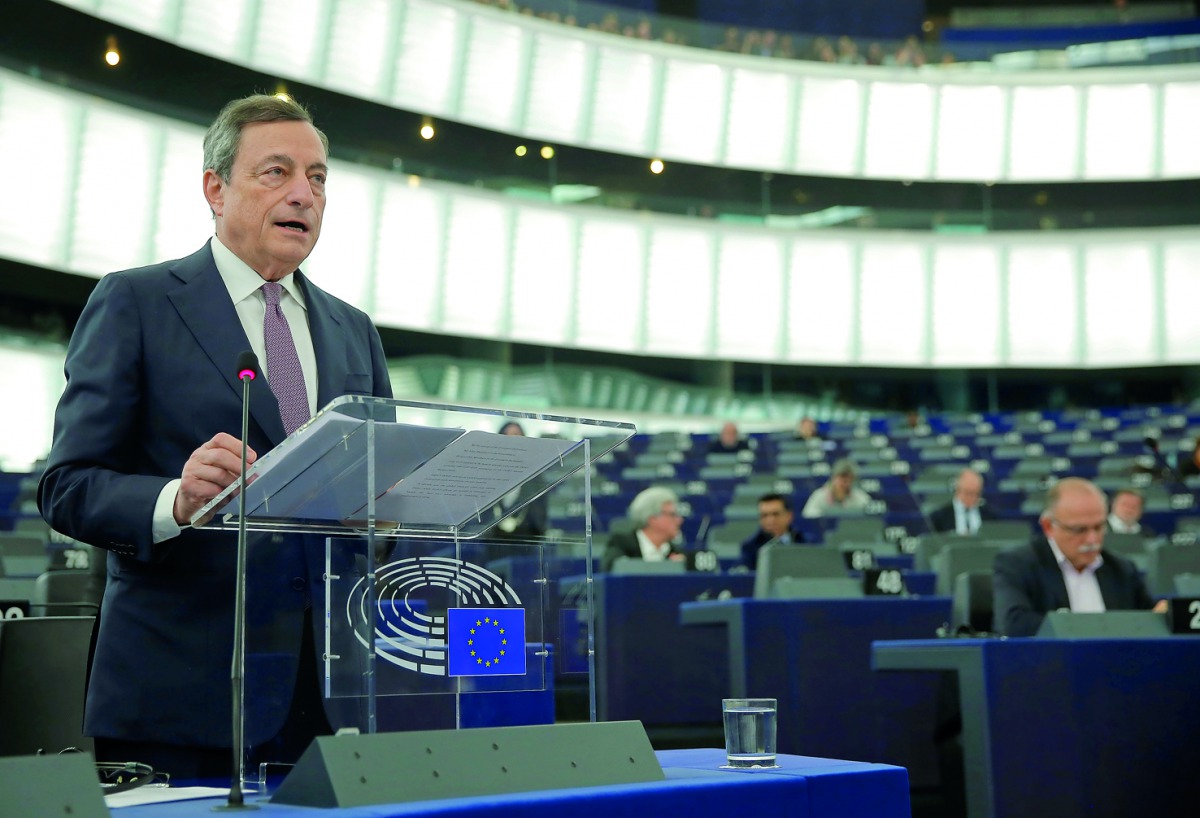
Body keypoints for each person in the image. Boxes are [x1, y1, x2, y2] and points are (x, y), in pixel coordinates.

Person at [37, 95, 393, 780]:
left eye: (317, 178)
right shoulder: (135, 303)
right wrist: (174, 500)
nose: (303, 195)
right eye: (277, 173)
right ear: (215, 187)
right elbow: (67, 486)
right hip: (178, 701)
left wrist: (387, 519)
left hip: (326, 704)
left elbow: (377, 502)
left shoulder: (356, 331)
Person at [992, 478, 1163, 637]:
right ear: (1048, 526)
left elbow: (1147, 619)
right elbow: (1014, 625)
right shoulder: (1017, 564)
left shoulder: (1122, 569)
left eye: (1099, 527)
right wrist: (1100, 628)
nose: (1092, 539)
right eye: (1079, 530)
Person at [601, 486, 685, 572]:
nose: (679, 520)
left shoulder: (676, 553)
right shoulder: (620, 545)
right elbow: (611, 571)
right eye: (672, 515)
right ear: (652, 519)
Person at [489, 421, 548, 541]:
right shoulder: (488, 474)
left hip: (525, 542)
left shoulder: (536, 477)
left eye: (516, 434)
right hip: (493, 542)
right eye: (506, 435)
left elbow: (539, 519)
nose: (511, 439)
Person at [739, 493, 808, 569]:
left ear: (789, 516)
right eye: (764, 515)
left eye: (775, 514)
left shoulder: (804, 541)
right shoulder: (751, 546)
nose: (770, 520)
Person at [929, 468, 999, 535]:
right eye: (968, 493)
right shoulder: (940, 518)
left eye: (977, 494)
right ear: (957, 490)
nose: (972, 497)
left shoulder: (990, 516)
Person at [802, 458, 872, 518]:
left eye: (849, 480)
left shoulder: (859, 497)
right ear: (833, 478)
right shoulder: (819, 496)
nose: (845, 483)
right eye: (842, 479)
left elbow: (871, 514)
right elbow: (808, 516)